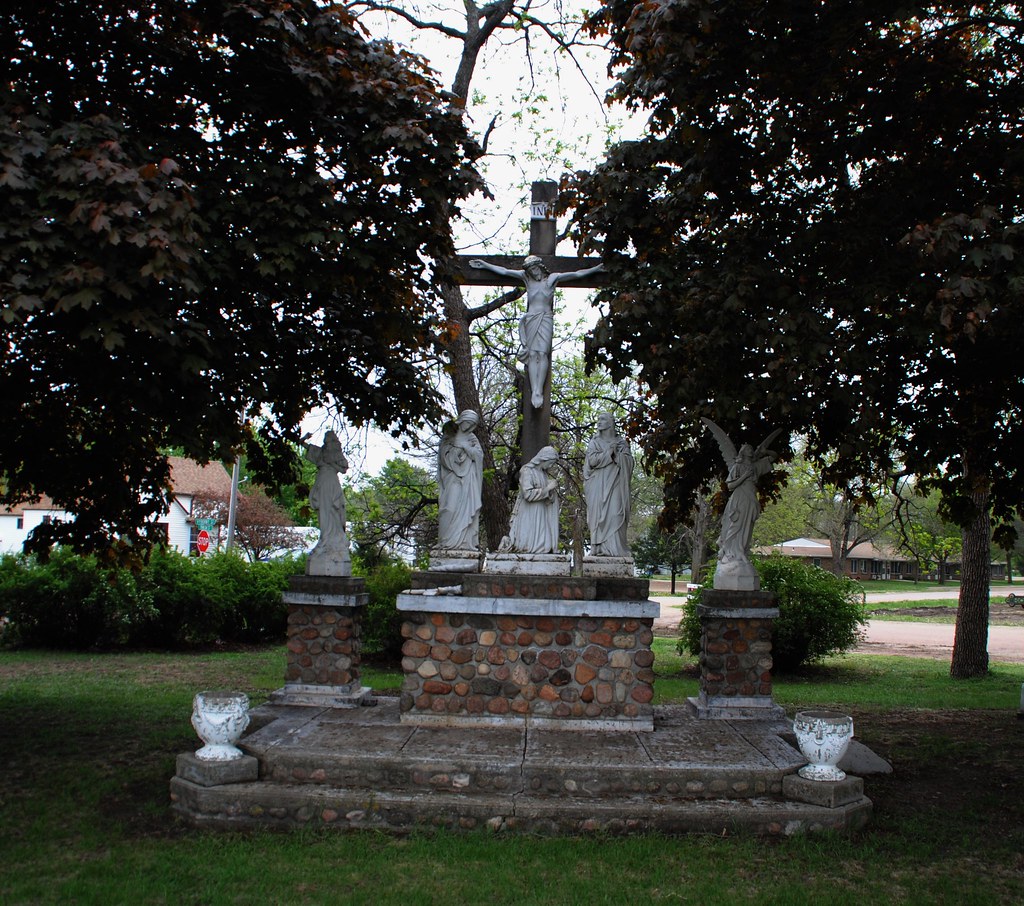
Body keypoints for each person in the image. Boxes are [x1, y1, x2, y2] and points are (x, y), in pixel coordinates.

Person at [468, 256, 603, 409]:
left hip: (545, 319)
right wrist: (485, 265)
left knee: (542, 353)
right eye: (530, 271)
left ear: (540, 267)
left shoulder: (552, 279)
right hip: (531, 319)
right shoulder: (526, 280)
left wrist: (596, 269)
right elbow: (504, 272)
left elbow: (577, 274)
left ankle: (539, 388)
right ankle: (535, 390)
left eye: (534, 269)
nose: (533, 273)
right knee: (532, 355)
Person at [583, 413, 633, 557]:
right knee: (598, 516)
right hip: (598, 484)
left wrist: (619, 456)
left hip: (616, 483)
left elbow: (629, 463)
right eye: (598, 419)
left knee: (616, 513)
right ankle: (598, 547)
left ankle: (616, 549)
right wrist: (609, 452)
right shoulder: (594, 442)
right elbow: (592, 461)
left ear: (611, 423)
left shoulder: (621, 442)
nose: (598, 422)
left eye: (602, 419)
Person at [303, 430, 350, 573]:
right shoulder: (321, 452)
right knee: (323, 512)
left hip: (330, 481)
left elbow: (344, 468)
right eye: (325, 439)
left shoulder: (335, 452)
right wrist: (304, 438)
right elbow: (304, 446)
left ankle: (331, 539)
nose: (326, 441)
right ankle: (325, 538)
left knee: (332, 511)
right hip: (322, 481)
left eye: (329, 439)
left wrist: (332, 465)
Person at [437, 410, 484, 551]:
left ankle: (465, 543)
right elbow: (443, 456)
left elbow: (479, 456)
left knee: (466, 509)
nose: (468, 426)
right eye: (467, 422)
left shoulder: (472, 438)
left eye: (472, 424)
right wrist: (455, 454)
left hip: (468, 479)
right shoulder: (449, 436)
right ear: (461, 420)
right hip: (452, 477)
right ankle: (444, 542)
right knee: (449, 508)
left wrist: (466, 448)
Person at [501, 445, 561, 554]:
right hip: (529, 512)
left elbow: (545, 495)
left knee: (545, 545)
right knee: (530, 544)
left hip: (541, 512)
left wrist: (551, 492)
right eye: (551, 462)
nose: (551, 465)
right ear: (544, 458)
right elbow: (528, 494)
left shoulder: (543, 474)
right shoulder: (527, 470)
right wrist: (548, 488)